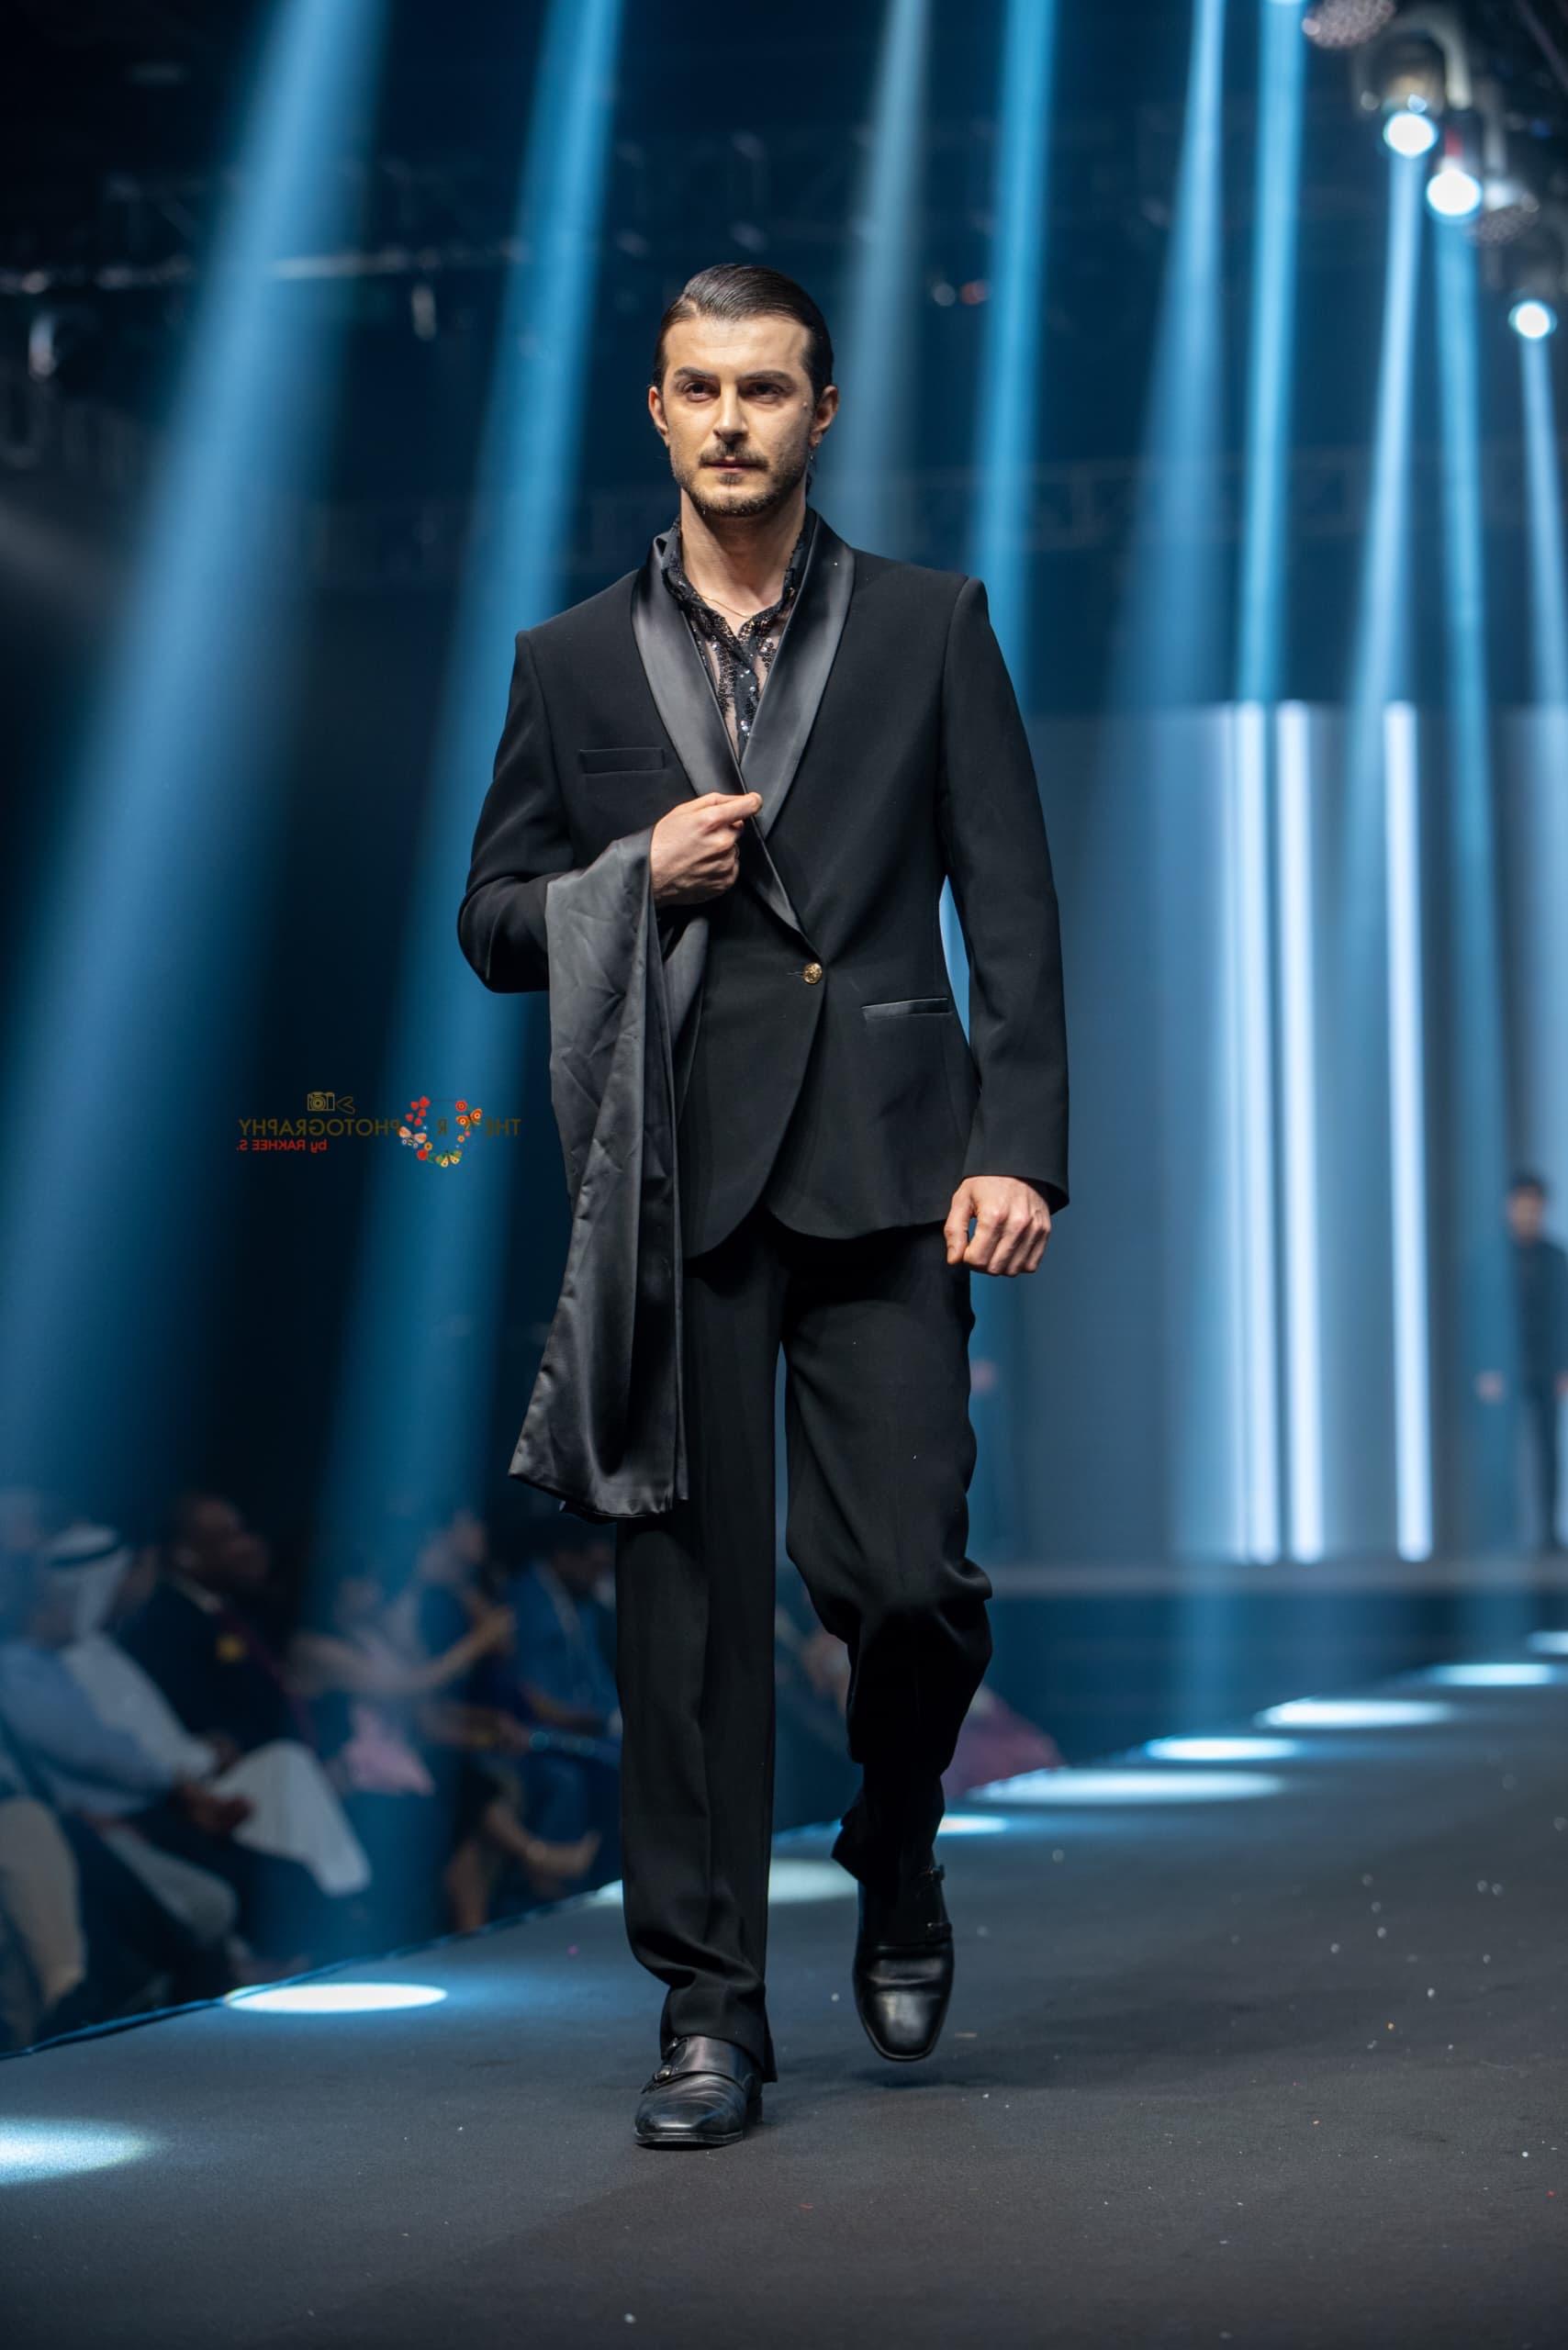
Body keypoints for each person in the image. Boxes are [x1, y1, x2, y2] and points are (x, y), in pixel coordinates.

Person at [458, 263, 1069, 2148]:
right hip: (676, 1185)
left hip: (892, 1170)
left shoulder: (929, 623)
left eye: (765, 388)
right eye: (699, 387)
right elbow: (490, 921)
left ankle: (895, 1832)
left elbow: (1009, 904)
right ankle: (707, 2010)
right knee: (689, 1625)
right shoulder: (569, 659)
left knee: (911, 1588)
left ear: (822, 409)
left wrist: (1017, 1144)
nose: (730, 419)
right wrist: (629, 870)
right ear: (656, 408)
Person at [1475, 1170, 1568, 1554]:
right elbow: (1478, 1317)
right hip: (1504, 1369)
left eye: (1534, 1205)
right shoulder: (1491, 1260)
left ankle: (1547, 1532)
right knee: (1502, 1455)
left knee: (1548, 1453)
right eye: (1521, 1204)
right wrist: (1484, 1369)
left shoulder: (1557, 1259)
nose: (1528, 1212)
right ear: (1509, 1207)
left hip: (1546, 1367)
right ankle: (1504, 1531)